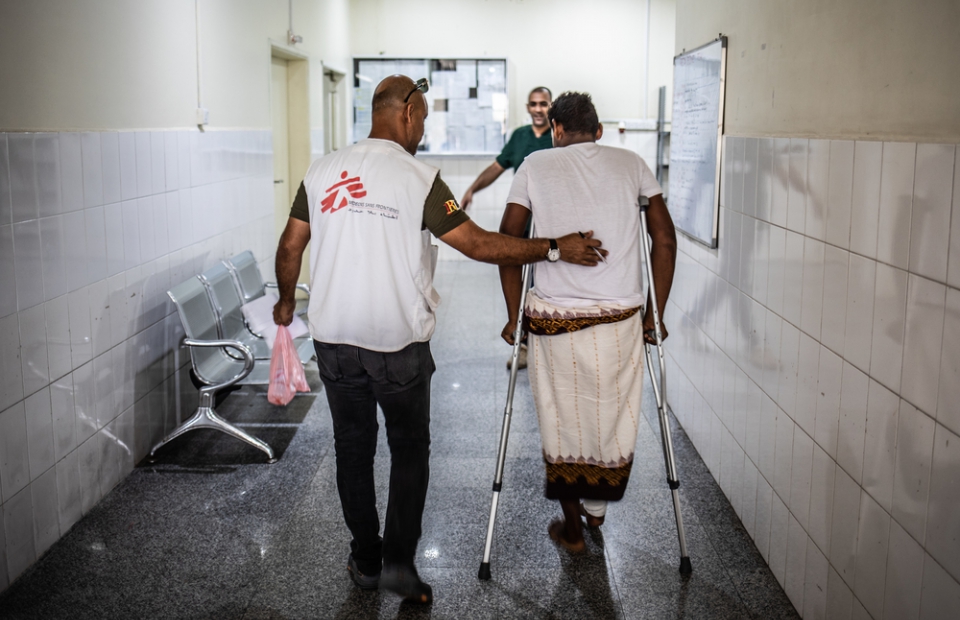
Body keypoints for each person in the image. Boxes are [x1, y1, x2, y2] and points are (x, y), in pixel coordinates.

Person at [272, 76, 607, 604]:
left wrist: (288, 304)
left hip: (333, 339)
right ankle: (400, 566)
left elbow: (291, 244)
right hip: (396, 343)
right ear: (406, 112)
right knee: (408, 450)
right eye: (423, 118)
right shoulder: (419, 177)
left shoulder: (321, 171)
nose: (423, 130)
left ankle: (365, 558)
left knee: (351, 449)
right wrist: (552, 248)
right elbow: (474, 243)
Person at [497, 91, 677, 552]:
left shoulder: (536, 165)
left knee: (564, 421)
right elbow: (665, 239)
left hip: (554, 320)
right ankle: (595, 511)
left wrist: (511, 315)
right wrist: (654, 316)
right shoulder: (632, 163)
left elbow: (507, 241)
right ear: (598, 132)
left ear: (556, 130)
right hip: (619, 320)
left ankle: (574, 525)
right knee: (610, 416)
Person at [461, 86, 553, 371]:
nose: (539, 109)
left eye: (544, 104)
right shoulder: (520, 137)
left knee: (548, 287)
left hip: (552, 226)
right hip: (522, 226)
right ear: (528, 107)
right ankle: (522, 344)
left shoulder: (559, 136)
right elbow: (497, 166)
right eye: (534, 104)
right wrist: (472, 188)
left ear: (551, 107)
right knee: (522, 287)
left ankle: (550, 346)